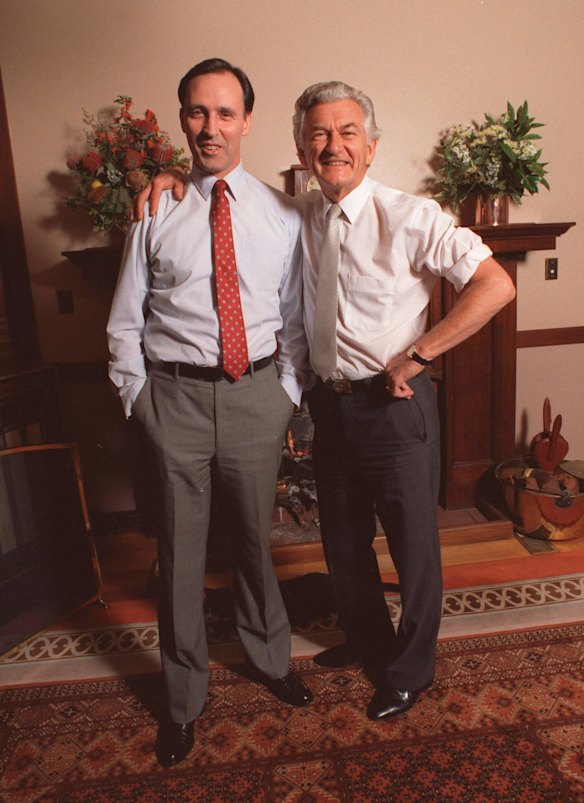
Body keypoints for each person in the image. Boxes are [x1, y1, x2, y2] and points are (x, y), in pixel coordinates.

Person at [133, 79, 516, 723]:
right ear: (300, 146)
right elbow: (219, 184)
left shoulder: (413, 215)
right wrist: (174, 171)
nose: (332, 145)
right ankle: (366, 638)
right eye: (318, 134)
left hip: (396, 405)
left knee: (413, 548)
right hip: (330, 408)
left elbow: (495, 285)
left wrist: (422, 354)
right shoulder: (297, 212)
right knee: (344, 542)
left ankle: (410, 670)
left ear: (371, 145)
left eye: (346, 133)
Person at [107, 58, 313, 770]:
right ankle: (184, 698)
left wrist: (284, 392)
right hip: (175, 401)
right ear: (182, 120)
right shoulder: (155, 208)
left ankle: (271, 657)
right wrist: (142, 402)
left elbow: (293, 319)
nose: (210, 127)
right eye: (197, 112)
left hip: (257, 396)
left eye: (225, 113)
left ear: (247, 121)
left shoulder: (282, 214)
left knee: (257, 541)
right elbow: (123, 321)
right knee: (179, 559)